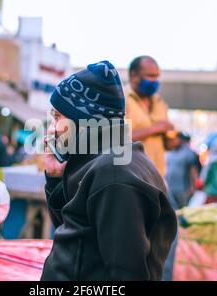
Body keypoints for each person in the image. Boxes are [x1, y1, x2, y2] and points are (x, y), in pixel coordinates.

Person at [41, 60, 177, 281]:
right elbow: (73, 232)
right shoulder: (102, 162)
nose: (51, 128)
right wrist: (56, 179)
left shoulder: (114, 177)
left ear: (83, 120)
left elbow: (126, 276)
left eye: (58, 117)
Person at [125, 56, 174, 177]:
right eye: (150, 76)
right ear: (134, 75)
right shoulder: (121, 100)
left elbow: (168, 145)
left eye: (156, 76)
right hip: (133, 177)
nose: (155, 80)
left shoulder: (159, 102)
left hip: (158, 178)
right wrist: (156, 128)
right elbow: (118, 139)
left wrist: (172, 137)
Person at [165, 132, 201, 210]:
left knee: (183, 210)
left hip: (183, 189)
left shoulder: (188, 153)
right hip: (170, 188)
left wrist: (193, 186)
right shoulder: (169, 152)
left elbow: (193, 171)